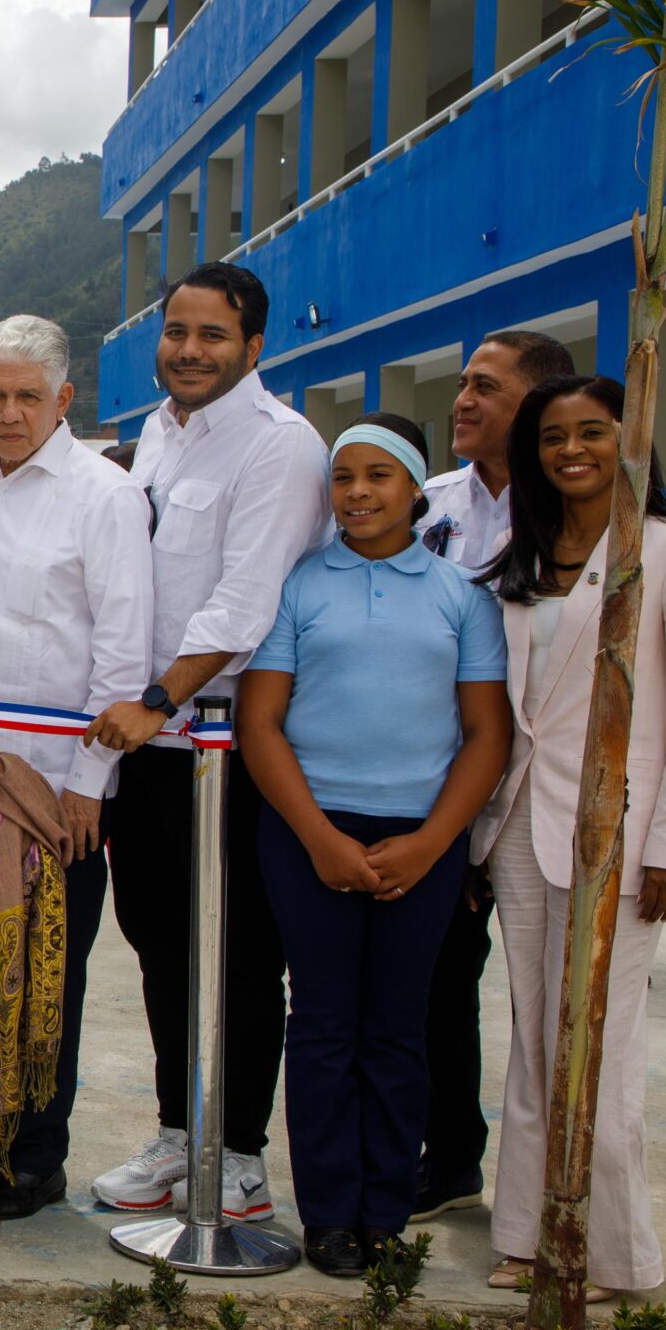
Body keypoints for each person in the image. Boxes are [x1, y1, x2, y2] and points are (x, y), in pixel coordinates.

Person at [237, 413, 511, 1278]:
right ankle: (328, 1217)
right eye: (343, 478)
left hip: (420, 843)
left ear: (415, 490)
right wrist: (317, 837)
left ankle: (385, 1215)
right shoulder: (297, 588)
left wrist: (434, 844)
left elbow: (486, 737)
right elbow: (261, 723)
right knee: (321, 1024)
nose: (357, 493)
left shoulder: (463, 598)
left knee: (397, 1027)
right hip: (309, 834)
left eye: (377, 476)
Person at [85, 262, 328, 1224]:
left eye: (212, 337)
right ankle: (181, 1134)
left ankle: (238, 1156)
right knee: (157, 943)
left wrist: (157, 696)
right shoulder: (158, 433)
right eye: (177, 333)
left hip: (222, 749)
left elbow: (246, 598)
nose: (188, 351)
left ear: (255, 347)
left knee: (233, 952)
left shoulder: (282, 448)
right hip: (146, 746)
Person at [476, 374, 666, 1299]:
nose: (570, 450)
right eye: (551, 437)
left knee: (602, 1046)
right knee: (536, 1039)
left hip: (617, 837)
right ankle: (528, 1234)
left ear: (632, 436)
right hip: (518, 829)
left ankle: (612, 1252)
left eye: (591, 432)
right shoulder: (527, 549)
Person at [0, 315, 152, 1219]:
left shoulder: (103, 495)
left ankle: (35, 1158)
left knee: (46, 975)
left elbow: (123, 650)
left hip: (60, 785)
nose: (11, 414)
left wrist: (89, 787)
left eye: (30, 396)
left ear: (65, 400)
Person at [409, 329, 574, 1220]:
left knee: (554, 996)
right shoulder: (429, 505)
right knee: (439, 980)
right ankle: (449, 1158)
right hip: (449, 781)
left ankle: (557, 1178)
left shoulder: (582, 511)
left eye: (486, 386)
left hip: (547, 790)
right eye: (463, 382)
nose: (464, 400)